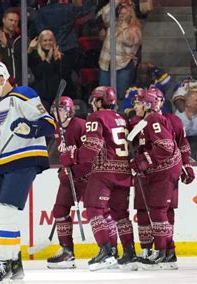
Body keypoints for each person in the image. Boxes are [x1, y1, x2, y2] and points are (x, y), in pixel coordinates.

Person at [0, 62, 56, 281]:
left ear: (1, 78)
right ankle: (16, 265)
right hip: (1, 164)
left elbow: (49, 124)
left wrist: (30, 128)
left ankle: (4, 263)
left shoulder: (23, 95)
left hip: (24, 159)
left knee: (7, 212)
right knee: (3, 215)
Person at [132, 87, 194, 270]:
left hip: (160, 171)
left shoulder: (164, 120)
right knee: (147, 210)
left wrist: (186, 164)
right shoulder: (139, 121)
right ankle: (155, 251)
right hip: (149, 173)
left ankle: (164, 251)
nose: (136, 105)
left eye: (139, 102)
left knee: (163, 211)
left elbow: (177, 145)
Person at [77, 86, 136, 271]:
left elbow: (92, 147)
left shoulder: (96, 117)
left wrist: (74, 158)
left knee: (94, 209)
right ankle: (129, 253)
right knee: (120, 214)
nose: (93, 104)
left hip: (104, 171)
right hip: (124, 171)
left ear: (100, 101)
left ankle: (107, 252)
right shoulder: (122, 118)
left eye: (95, 100)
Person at [46, 96, 86, 269]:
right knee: (59, 209)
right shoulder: (57, 128)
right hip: (69, 176)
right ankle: (67, 252)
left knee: (98, 212)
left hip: (86, 176)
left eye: (60, 109)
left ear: (69, 110)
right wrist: (64, 168)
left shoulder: (79, 124)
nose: (57, 113)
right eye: (55, 110)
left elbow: (89, 152)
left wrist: (76, 166)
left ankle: (110, 250)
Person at [97, 0, 142, 101]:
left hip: (122, 65)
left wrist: (123, 26)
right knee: (103, 94)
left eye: (125, 14)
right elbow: (104, 13)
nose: (121, 16)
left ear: (130, 15)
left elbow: (129, 41)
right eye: (120, 13)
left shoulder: (134, 29)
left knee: (121, 96)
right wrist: (115, 2)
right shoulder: (112, 24)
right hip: (106, 64)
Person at [0, 8, 22, 84]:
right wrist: (4, 47)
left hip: (20, 82)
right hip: (2, 83)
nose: (13, 23)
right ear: (3, 20)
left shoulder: (21, 39)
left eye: (16, 21)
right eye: (11, 20)